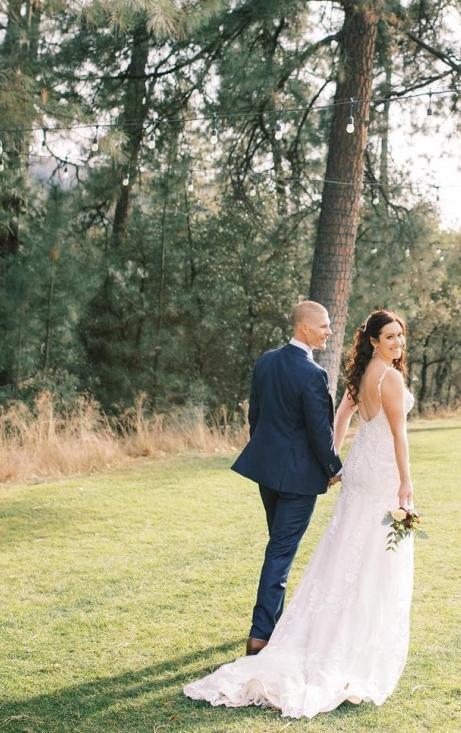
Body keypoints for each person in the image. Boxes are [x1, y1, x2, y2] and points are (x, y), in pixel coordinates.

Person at [184, 308, 417, 719]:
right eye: (391, 337)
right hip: (352, 474)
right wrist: (384, 480)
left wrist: (333, 461)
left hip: (309, 469)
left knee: (339, 547)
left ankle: (293, 628)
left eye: (401, 336)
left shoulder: (312, 368)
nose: (398, 343)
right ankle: (267, 637)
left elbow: (315, 418)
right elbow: (376, 433)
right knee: (302, 550)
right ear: (375, 341)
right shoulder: (365, 376)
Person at [228, 300, 343, 656]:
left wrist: (267, 454)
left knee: (277, 546)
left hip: (266, 471)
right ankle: (260, 634)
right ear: (304, 328)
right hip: (297, 479)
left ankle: (270, 624)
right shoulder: (312, 374)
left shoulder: (265, 361)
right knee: (280, 551)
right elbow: (319, 432)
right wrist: (333, 468)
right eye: (323, 326)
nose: (328, 331)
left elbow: (255, 416)